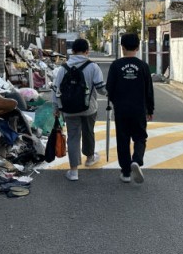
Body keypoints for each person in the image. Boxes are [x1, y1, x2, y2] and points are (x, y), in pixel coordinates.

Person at [52, 38, 106, 181]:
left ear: (72, 51)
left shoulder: (63, 68)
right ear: (87, 51)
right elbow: (101, 89)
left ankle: (74, 171)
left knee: (73, 137)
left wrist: (56, 107)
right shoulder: (93, 67)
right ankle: (89, 158)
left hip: (69, 109)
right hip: (89, 108)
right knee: (89, 132)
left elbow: (56, 89)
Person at [106, 33, 154, 184]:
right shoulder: (143, 66)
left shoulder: (116, 65)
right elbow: (149, 90)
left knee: (123, 140)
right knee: (140, 137)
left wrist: (116, 102)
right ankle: (137, 160)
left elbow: (109, 89)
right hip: (139, 109)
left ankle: (126, 173)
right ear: (138, 48)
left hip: (121, 110)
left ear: (122, 48)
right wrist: (150, 109)